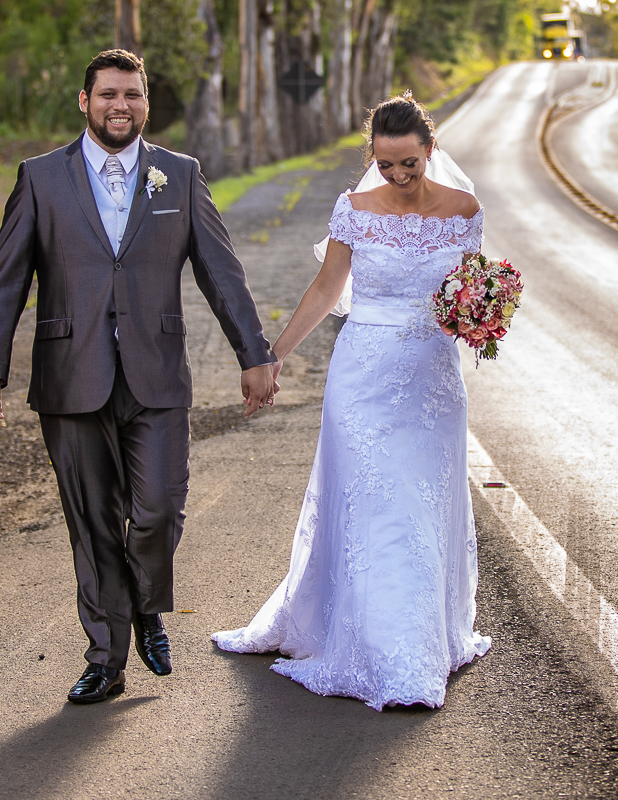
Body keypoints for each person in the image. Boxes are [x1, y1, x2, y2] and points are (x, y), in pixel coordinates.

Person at [0, 49, 277, 704]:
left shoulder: (179, 176)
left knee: (158, 509)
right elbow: (5, 284)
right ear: (85, 102)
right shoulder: (41, 178)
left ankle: (145, 602)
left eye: (132, 95)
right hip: (69, 375)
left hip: (156, 376)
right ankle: (105, 659)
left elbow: (222, 274)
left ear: (145, 104)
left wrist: (254, 355)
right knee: (94, 524)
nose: (120, 106)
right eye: (107, 94)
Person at [212, 92, 491, 710]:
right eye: (386, 164)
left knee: (418, 509)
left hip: (432, 381)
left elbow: (470, 291)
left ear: (430, 150)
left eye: (409, 164)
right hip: (362, 376)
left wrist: (483, 318)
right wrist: (272, 355)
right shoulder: (354, 210)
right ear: (373, 156)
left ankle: (418, 644)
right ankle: (371, 645)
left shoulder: (464, 210)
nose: (397, 176)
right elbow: (326, 287)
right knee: (371, 508)